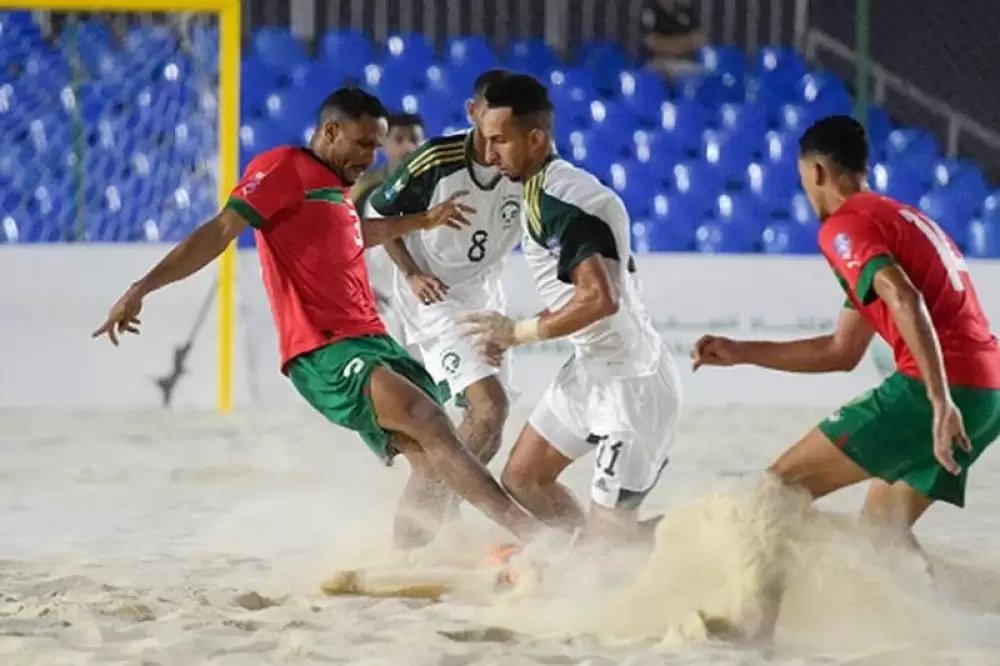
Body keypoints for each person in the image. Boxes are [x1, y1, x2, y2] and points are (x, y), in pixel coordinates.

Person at [92, 87, 540, 549]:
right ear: (330, 131)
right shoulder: (282, 167)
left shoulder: (336, 188)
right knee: (432, 421)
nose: (372, 156)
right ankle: (531, 535)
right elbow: (221, 230)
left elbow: (355, 232)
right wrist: (142, 287)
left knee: (431, 460)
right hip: (324, 347)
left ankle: (410, 560)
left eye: (377, 145)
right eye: (364, 143)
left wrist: (421, 221)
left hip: (372, 340)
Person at [692, 114, 1000, 550]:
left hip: (939, 391)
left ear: (817, 172)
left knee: (776, 491)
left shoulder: (846, 226)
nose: (805, 192)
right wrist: (743, 351)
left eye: (803, 180)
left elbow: (904, 298)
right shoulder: (896, 217)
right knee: (882, 534)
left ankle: (751, 622)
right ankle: (941, 617)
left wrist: (938, 399)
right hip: (988, 392)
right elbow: (842, 350)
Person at [468, 74, 683, 543]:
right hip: (591, 370)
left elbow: (598, 299)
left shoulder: (560, 199)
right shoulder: (544, 186)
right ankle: (589, 559)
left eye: (500, 141)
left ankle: (702, 537)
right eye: (486, 141)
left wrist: (516, 333)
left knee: (613, 542)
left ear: (536, 138)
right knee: (524, 478)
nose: (490, 155)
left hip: (631, 384)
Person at [364, 69, 524, 519]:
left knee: (489, 422)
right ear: (473, 114)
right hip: (431, 295)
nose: (497, 149)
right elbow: (375, 217)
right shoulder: (436, 158)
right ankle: (417, 526)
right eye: (491, 134)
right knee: (487, 406)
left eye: (507, 136)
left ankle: (435, 514)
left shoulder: (528, 165)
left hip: (484, 293)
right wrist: (413, 274)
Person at [351, 113, 426, 345]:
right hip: (378, 297)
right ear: (383, 143)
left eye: (414, 139)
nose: (407, 146)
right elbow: (339, 245)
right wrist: (358, 289)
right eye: (399, 139)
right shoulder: (364, 191)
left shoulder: (436, 188)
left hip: (422, 297)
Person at [640, 0, 706, 79]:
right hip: (658, 61)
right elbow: (653, 45)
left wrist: (668, 42)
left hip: (685, 61)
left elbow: (699, 40)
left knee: (703, 75)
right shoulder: (649, 10)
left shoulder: (685, 9)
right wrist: (685, 42)